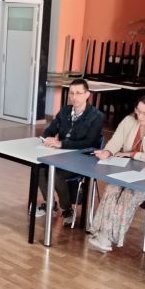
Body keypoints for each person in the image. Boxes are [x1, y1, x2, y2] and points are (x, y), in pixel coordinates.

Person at [88, 93, 145, 251]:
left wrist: (133, 154)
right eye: (138, 111)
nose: (139, 116)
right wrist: (107, 152)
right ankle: (101, 233)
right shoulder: (129, 120)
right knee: (111, 189)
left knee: (127, 197)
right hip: (127, 172)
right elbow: (115, 141)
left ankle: (110, 237)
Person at [36, 78, 104, 224]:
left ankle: (67, 209)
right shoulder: (65, 111)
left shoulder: (96, 116)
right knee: (40, 169)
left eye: (78, 93)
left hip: (83, 158)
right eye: (72, 93)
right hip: (61, 155)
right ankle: (50, 204)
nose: (74, 97)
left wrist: (62, 144)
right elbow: (51, 129)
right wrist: (45, 138)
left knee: (57, 174)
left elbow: (89, 142)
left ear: (87, 95)